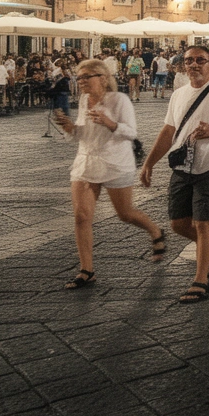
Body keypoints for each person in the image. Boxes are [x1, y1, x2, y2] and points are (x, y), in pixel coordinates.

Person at [139, 45, 209, 303]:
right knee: (178, 223)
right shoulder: (179, 95)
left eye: (200, 60)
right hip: (182, 166)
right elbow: (168, 131)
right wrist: (149, 163)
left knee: (203, 222)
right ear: (183, 65)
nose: (194, 65)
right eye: (189, 61)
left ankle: (200, 280)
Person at [54, 58, 164, 289]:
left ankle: (155, 230)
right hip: (86, 163)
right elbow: (83, 134)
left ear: (103, 78)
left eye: (86, 77)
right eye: (79, 77)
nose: (81, 81)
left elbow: (131, 132)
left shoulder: (119, 100)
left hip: (115, 162)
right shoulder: (84, 100)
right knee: (81, 216)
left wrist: (110, 123)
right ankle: (87, 270)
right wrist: (69, 128)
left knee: (125, 214)